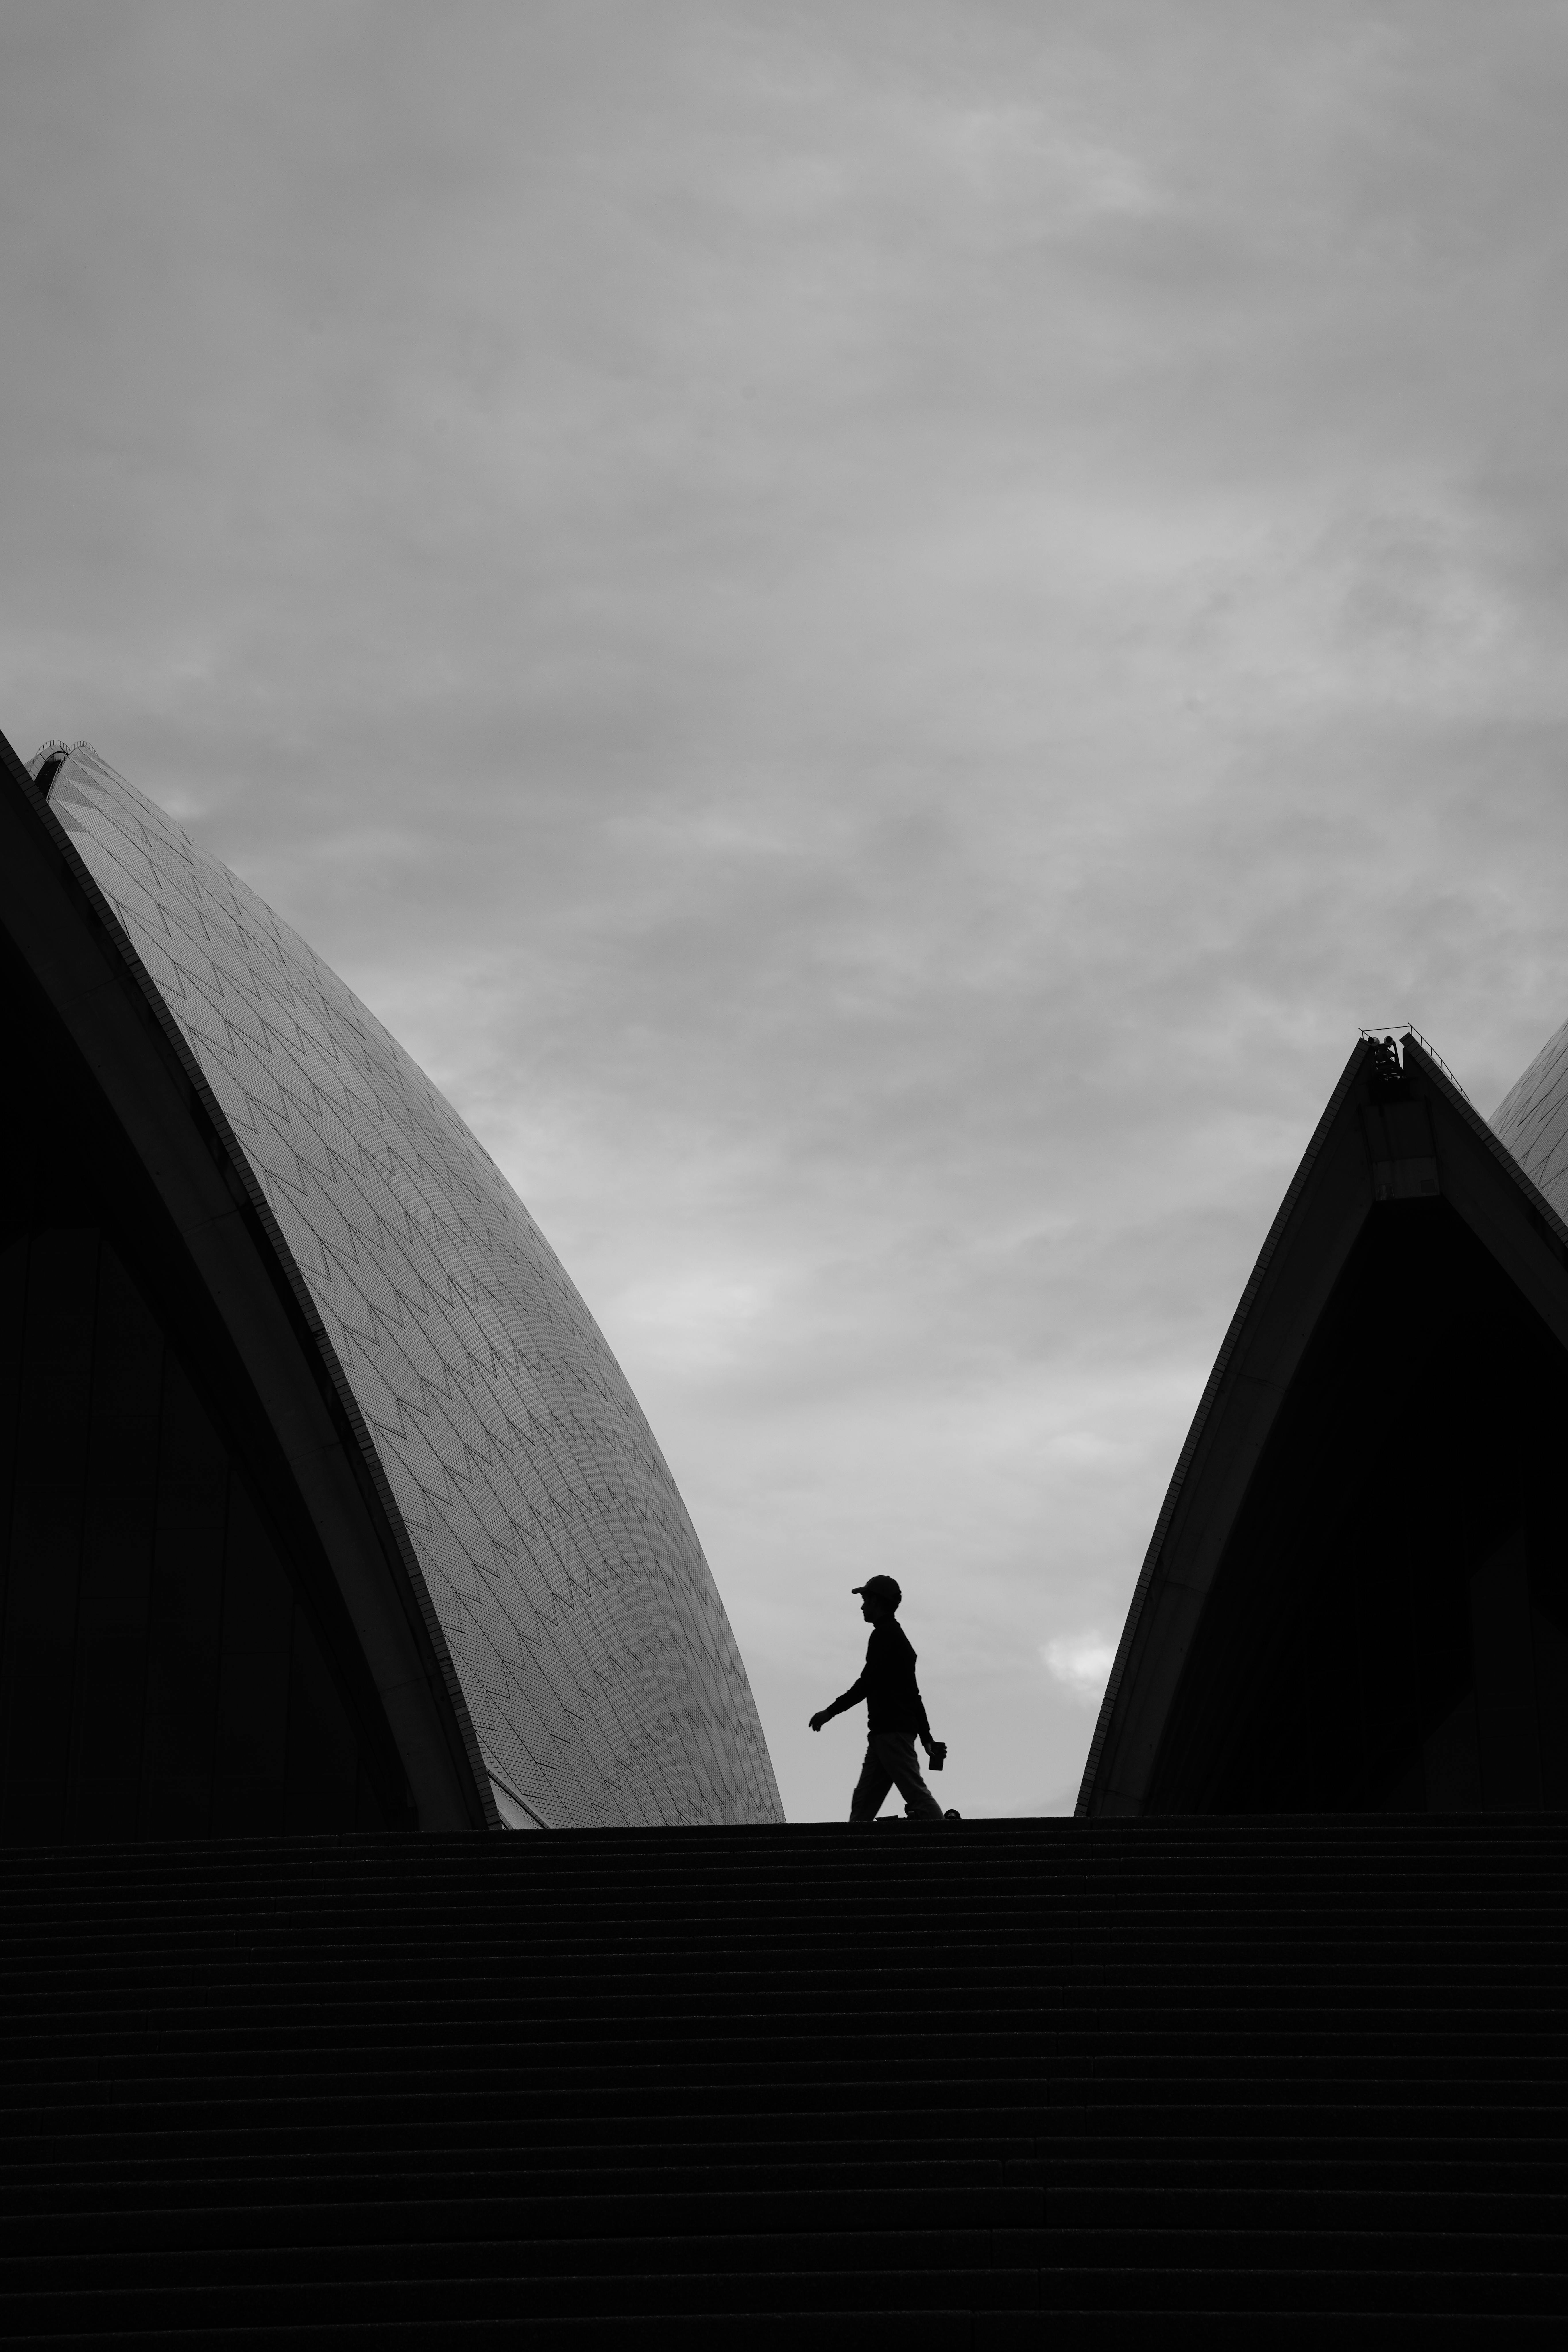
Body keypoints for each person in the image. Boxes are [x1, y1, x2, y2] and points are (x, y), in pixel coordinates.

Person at [808, 1575, 957, 1824]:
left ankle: (950, 1845)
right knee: (863, 1807)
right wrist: (926, 1737)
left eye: (866, 1600)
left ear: (877, 1602)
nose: (862, 1606)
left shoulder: (885, 1637)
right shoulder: (896, 1638)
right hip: (884, 1735)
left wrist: (830, 1712)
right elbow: (914, 1695)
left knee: (915, 1794)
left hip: (892, 1734)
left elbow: (866, 1684)